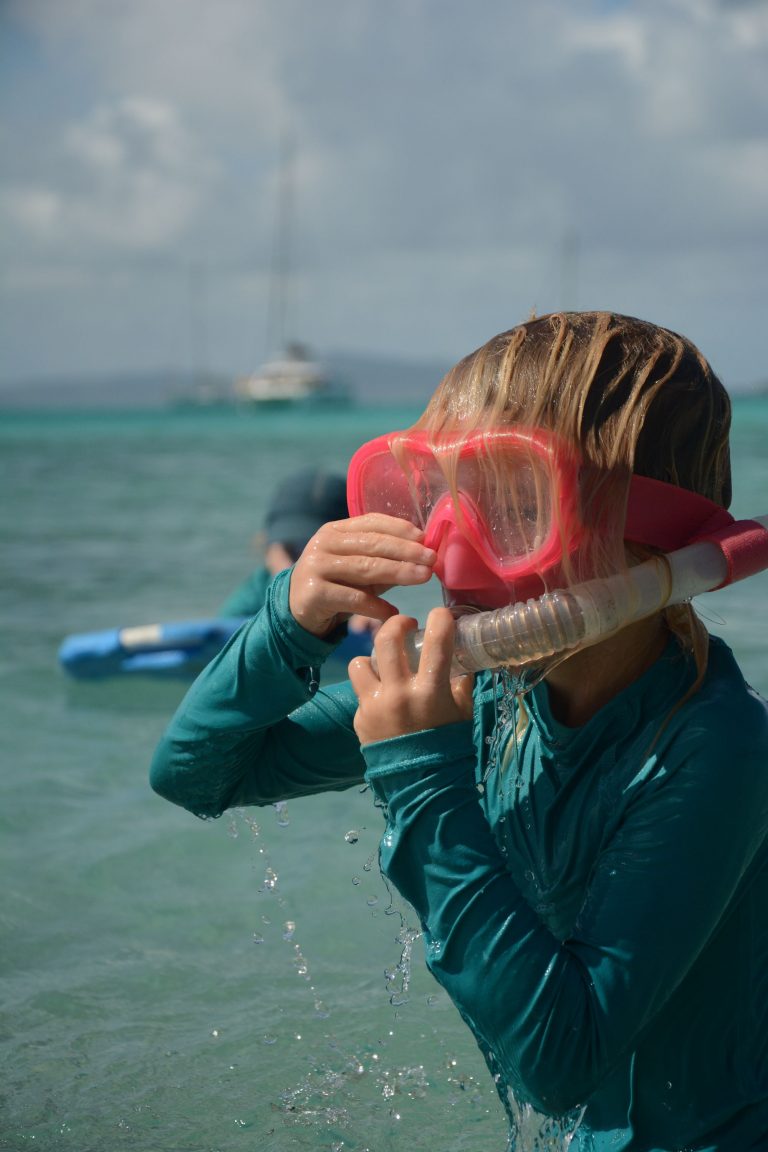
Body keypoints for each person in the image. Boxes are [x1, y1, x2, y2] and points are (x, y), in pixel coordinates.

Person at [151, 312, 768, 1151]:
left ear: (652, 532)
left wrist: (423, 776)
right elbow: (195, 773)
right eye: (436, 500)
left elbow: (560, 1058)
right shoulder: (487, 697)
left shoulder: (713, 747)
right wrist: (286, 624)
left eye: (513, 505)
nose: (452, 549)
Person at [217, 466, 350, 617]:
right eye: (295, 549)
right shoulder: (248, 603)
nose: (305, 565)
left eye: (322, 552)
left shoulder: (359, 604)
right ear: (267, 549)